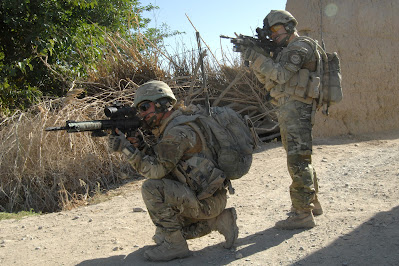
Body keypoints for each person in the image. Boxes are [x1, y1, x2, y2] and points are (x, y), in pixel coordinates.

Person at [108, 80, 238, 261]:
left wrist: (126, 149)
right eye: (140, 109)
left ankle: (176, 245)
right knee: (162, 234)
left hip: (205, 200)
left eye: (145, 107)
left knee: (151, 188)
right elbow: (164, 161)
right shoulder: (176, 123)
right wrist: (141, 146)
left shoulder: (177, 132)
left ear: (162, 104)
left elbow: (156, 171)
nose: (142, 114)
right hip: (207, 196)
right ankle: (219, 220)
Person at [239, 10, 323, 229]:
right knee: (300, 157)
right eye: (271, 32)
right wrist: (255, 57)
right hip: (290, 109)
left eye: (276, 29)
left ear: (289, 26)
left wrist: (257, 57)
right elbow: (268, 78)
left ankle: (302, 214)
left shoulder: (301, 47)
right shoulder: (286, 50)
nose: (274, 35)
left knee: (297, 159)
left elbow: (281, 75)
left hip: (297, 109)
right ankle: (312, 203)